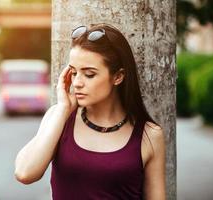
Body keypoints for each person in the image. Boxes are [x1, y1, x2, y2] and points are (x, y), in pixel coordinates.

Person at [14, 23, 166, 200]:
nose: (77, 82)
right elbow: (25, 173)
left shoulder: (149, 135)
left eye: (89, 74)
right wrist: (63, 109)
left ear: (118, 76)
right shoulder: (59, 117)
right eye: (74, 72)